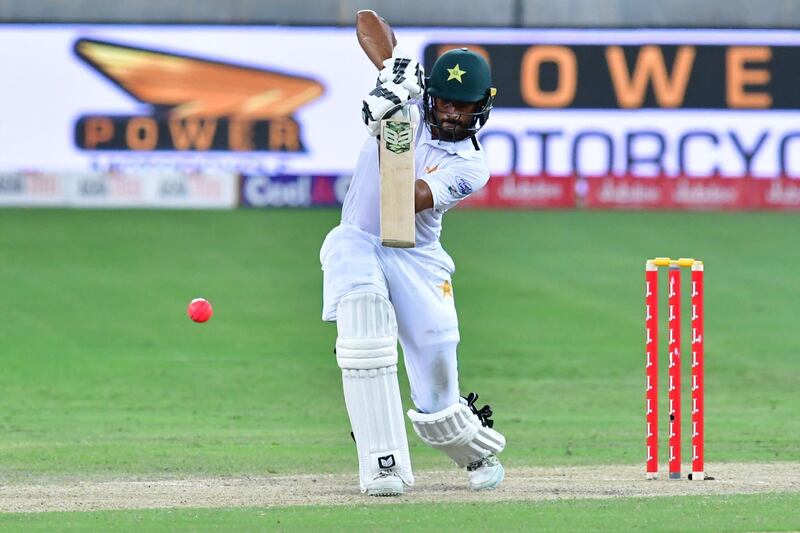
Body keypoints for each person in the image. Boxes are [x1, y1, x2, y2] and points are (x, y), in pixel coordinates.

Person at [320, 47, 505, 496]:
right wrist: (390, 70)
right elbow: (366, 19)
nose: (452, 113)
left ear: (482, 106)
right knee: (364, 328)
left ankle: (473, 446)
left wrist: (386, 126)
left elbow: (406, 201)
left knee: (438, 394)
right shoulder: (404, 98)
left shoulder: (471, 165)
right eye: (444, 102)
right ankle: (383, 461)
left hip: (418, 257)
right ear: (431, 96)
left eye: (463, 106)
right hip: (359, 239)